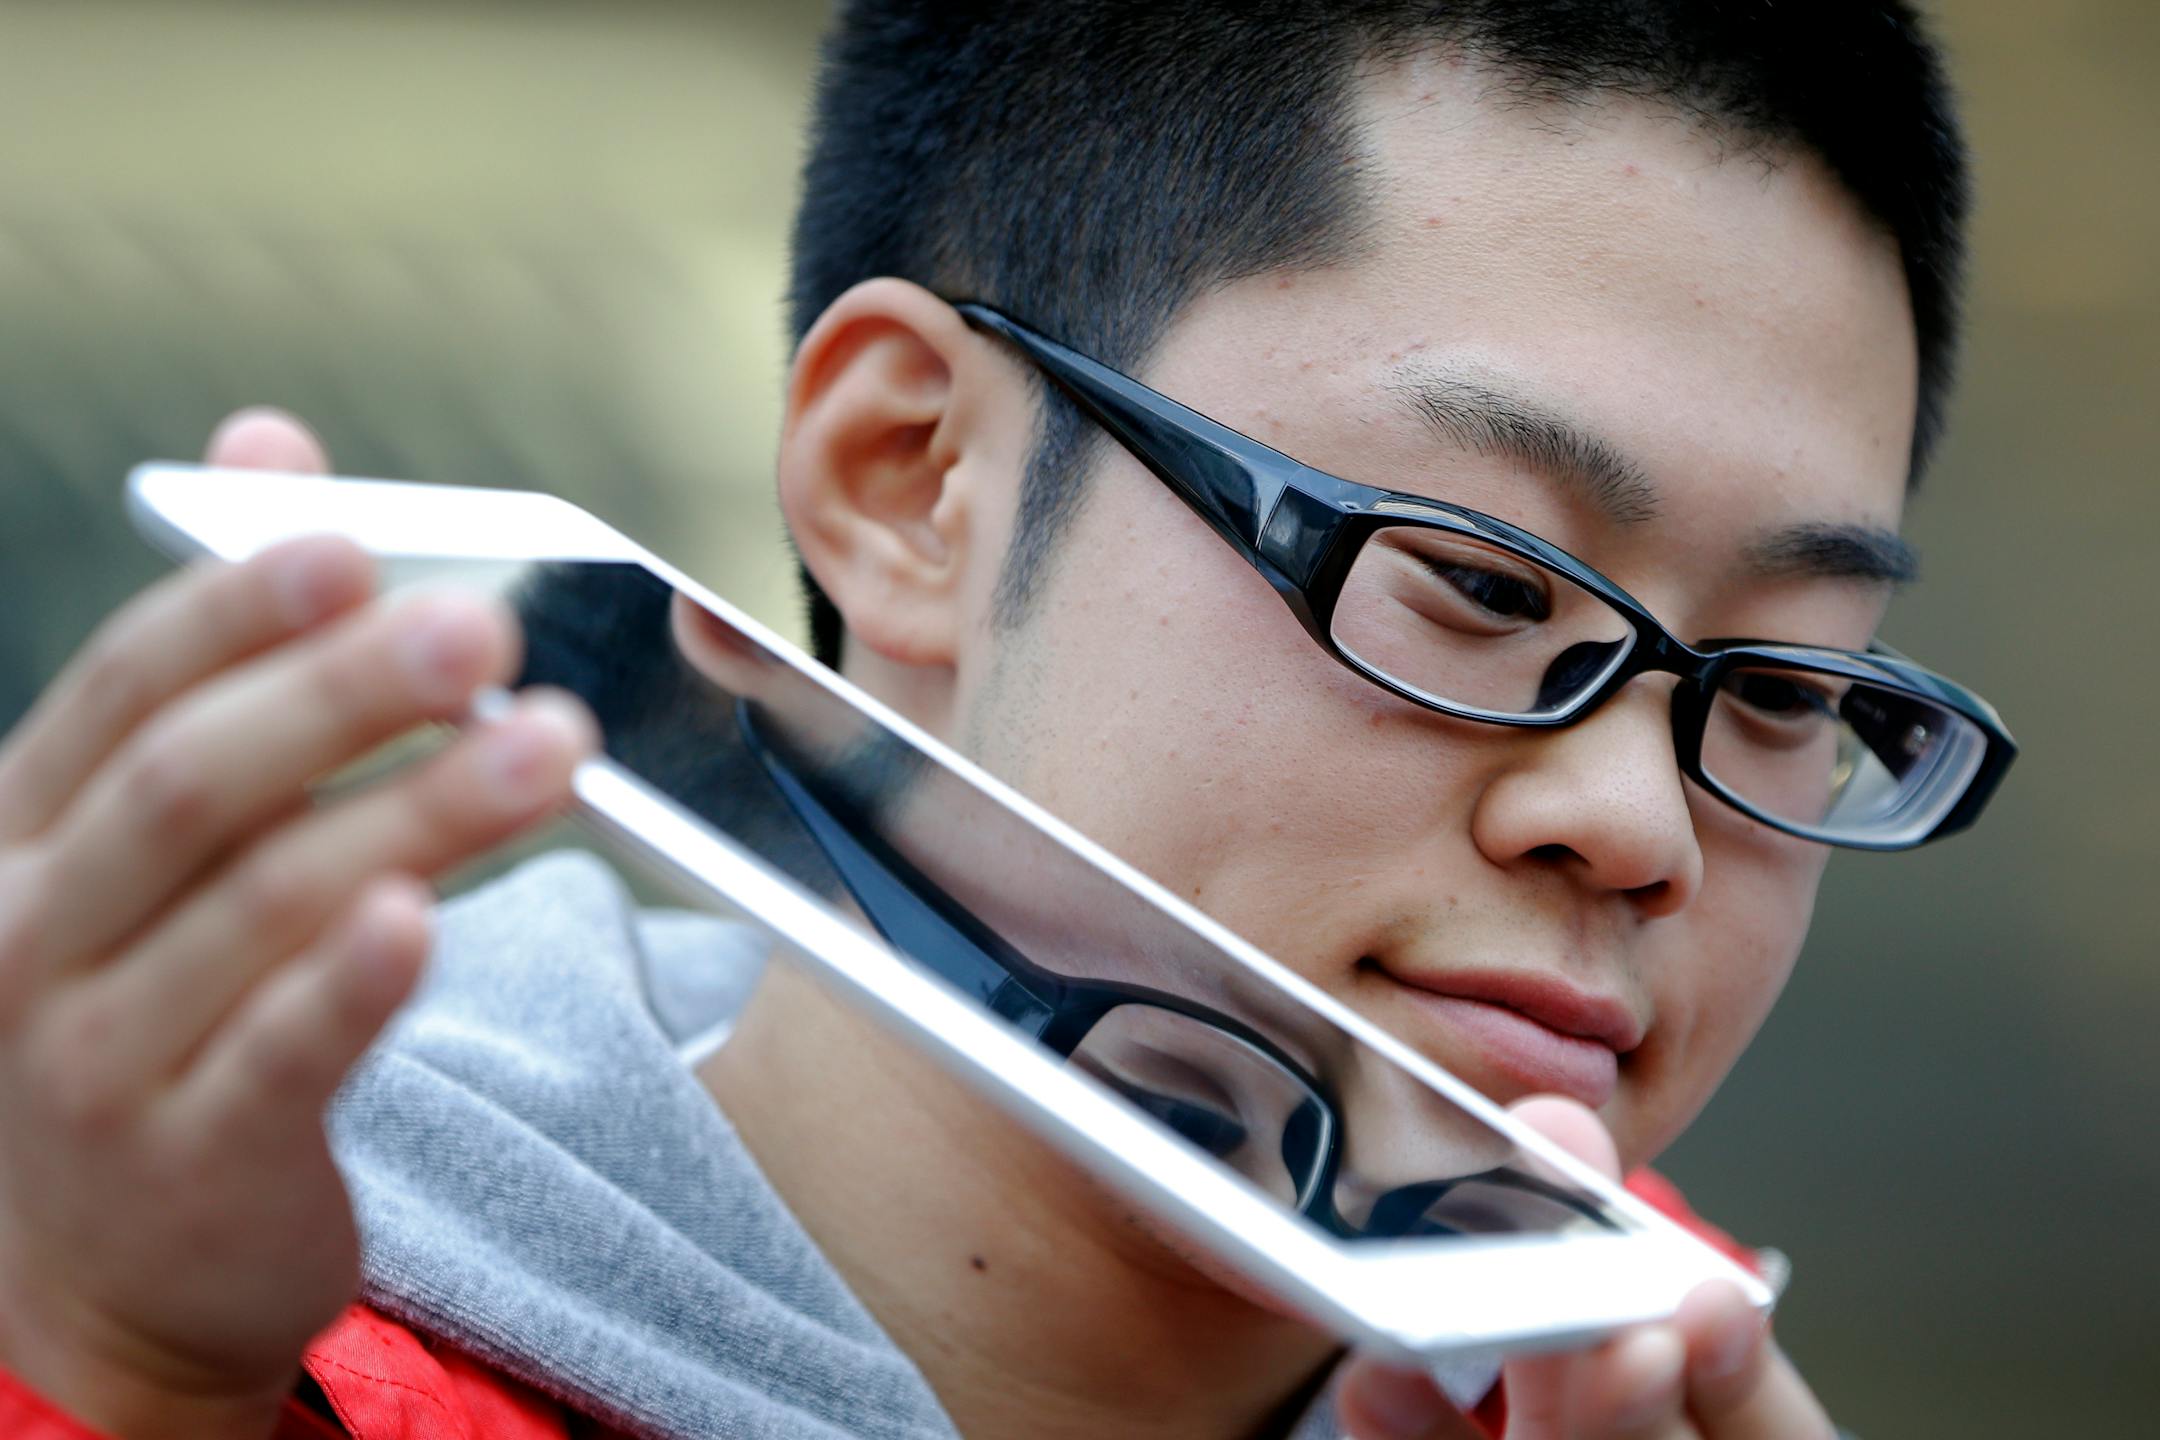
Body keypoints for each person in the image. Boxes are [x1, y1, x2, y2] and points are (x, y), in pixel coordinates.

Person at [0, 3, 2012, 1437]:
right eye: (1482, 584)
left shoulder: (1636, 1377)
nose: (1637, 823)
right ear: (911, 481)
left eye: (1790, 692)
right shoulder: (162, 1310)